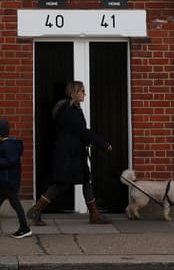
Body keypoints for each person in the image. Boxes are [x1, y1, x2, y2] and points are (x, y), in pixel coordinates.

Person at [28, 80, 113, 225]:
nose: (85, 94)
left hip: (74, 154)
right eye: (82, 91)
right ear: (74, 92)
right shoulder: (70, 111)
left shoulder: (72, 109)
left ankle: (94, 214)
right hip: (68, 156)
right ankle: (35, 210)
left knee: (85, 180)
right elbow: (82, 131)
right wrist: (103, 144)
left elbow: (79, 132)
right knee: (62, 184)